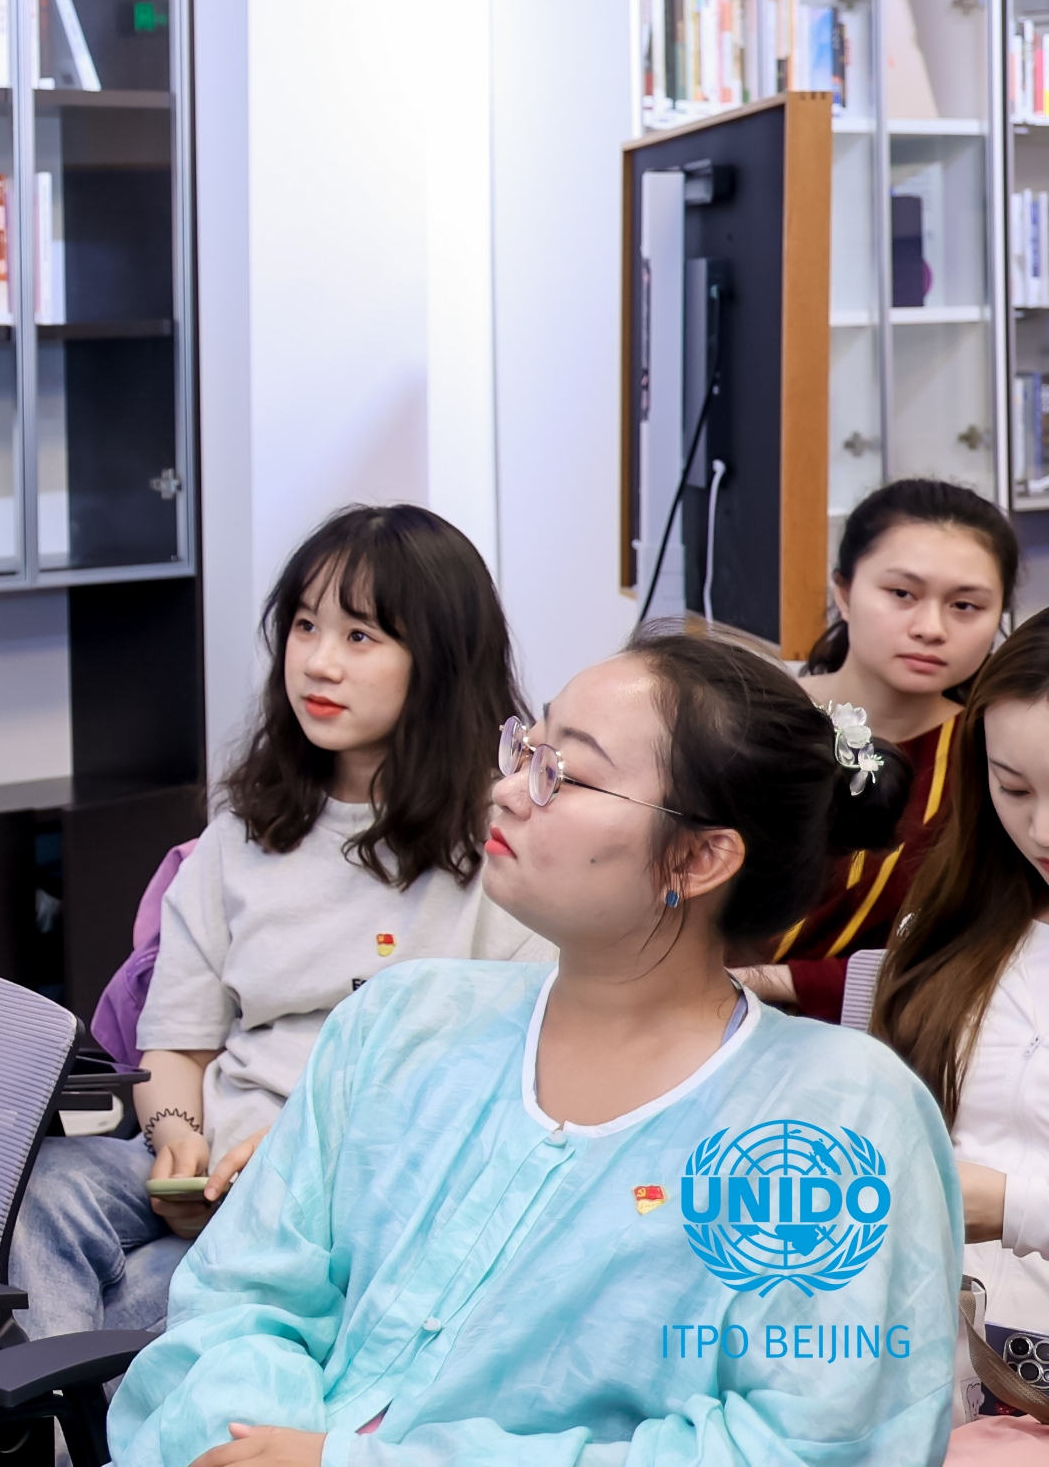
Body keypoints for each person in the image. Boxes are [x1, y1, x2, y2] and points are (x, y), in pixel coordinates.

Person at [110, 627, 962, 1467]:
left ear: (700, 856)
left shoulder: (836, 1118)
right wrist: (244, 1440)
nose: (507, 790)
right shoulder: (400, 1021)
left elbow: (808, 1444)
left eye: (562, 772)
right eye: (524, 748)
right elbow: (238, 1300)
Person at [11, 505, 546, 1338]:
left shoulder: (502, 848)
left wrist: (295, 1170)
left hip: (367, 1194)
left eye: (360, 635)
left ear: (441, 660)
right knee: (40, 1188)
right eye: (303, 626)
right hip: (213, 1169)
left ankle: (70, 1393)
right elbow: (177, 1042)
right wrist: (177, 1143)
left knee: (145, 1300)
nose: (318, 662)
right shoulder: (240, 834)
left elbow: (508, 1090)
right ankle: (63, 1399)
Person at [755, 476, 1018, 1020]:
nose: (931, 628)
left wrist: (773, 981)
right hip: (686, 1021)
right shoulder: (749, 720)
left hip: (887, 1041)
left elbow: (985, 949)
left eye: (965, 605)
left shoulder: (994, 760)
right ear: (844, 592)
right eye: (902, 594)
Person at [872, 611, 1049, 1375]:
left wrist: (1009, 1205)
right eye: (1012, 787)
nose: (1041, 829)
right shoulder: (948, 925)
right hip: (923, 1352)